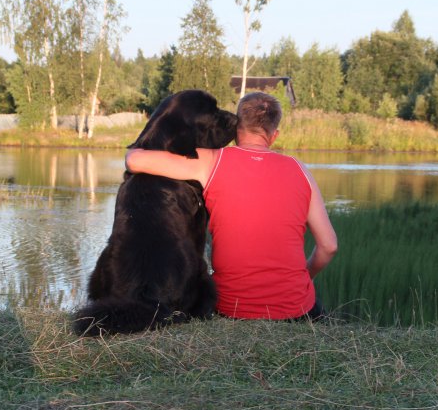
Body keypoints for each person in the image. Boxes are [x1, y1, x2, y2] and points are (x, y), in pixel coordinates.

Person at [125, 92, 338, 320]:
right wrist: (306, 276)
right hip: (295, 308)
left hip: (231, 308)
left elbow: (134, 161)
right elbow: (328, 246)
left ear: (237, 128)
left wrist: (133, 149)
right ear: (274, 136)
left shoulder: (210, 161)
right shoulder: (300, 170)